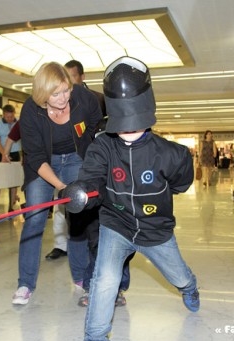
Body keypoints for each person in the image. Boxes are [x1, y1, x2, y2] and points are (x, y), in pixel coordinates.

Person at [61, 56, 200, 341]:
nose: (128, 131)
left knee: (179, 275)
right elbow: (92, 178)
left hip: (156, 231)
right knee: (104, 281)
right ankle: (95, 339)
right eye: (123, 125)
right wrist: (82, 193)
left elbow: (181, 184)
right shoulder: (102, 146)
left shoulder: (172, 154)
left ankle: (190, 286)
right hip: (116, 225)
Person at [11, 62, 102, 305]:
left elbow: (95, 120)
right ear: (43, 94)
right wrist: (61, 187)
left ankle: (82, 277)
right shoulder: (30, 111)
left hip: (74, 156)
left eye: (66, 91)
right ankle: (25, 284)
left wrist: (85, 142)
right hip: (44, 164)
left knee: (78, 216)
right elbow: (36, 158)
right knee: (36, 219)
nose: (64, 98)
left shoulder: (83, 97)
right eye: (56, 94)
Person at [65, 59, 133, 307]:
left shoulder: (128, 129)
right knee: (96, 244)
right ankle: (92, 286)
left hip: (121, 199)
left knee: (122, 247)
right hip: (96, 198)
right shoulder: (88, 132)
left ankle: (118, 289)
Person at [0, 105, 21, 216]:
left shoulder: (19, 123)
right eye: (7, 117)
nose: (9, 119)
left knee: (13, 182)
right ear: (3, 115)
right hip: (0, 153)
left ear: (14, 114)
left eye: (11, 116)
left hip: (15, 153)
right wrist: (4, 154)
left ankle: (11, 207)